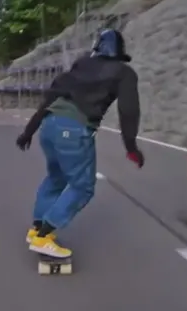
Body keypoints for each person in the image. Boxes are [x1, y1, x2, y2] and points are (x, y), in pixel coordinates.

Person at [15, 28, 144, 259]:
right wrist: (131, 147)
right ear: (120, 52)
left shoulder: (81, 65)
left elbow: (51, 97)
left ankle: (36, 229)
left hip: (49, 126)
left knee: (56, 177)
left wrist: (29, 131)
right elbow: (129, 110)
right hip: (73, 131)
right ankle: (43, 236)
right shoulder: (124, 72)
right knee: (83, 187)